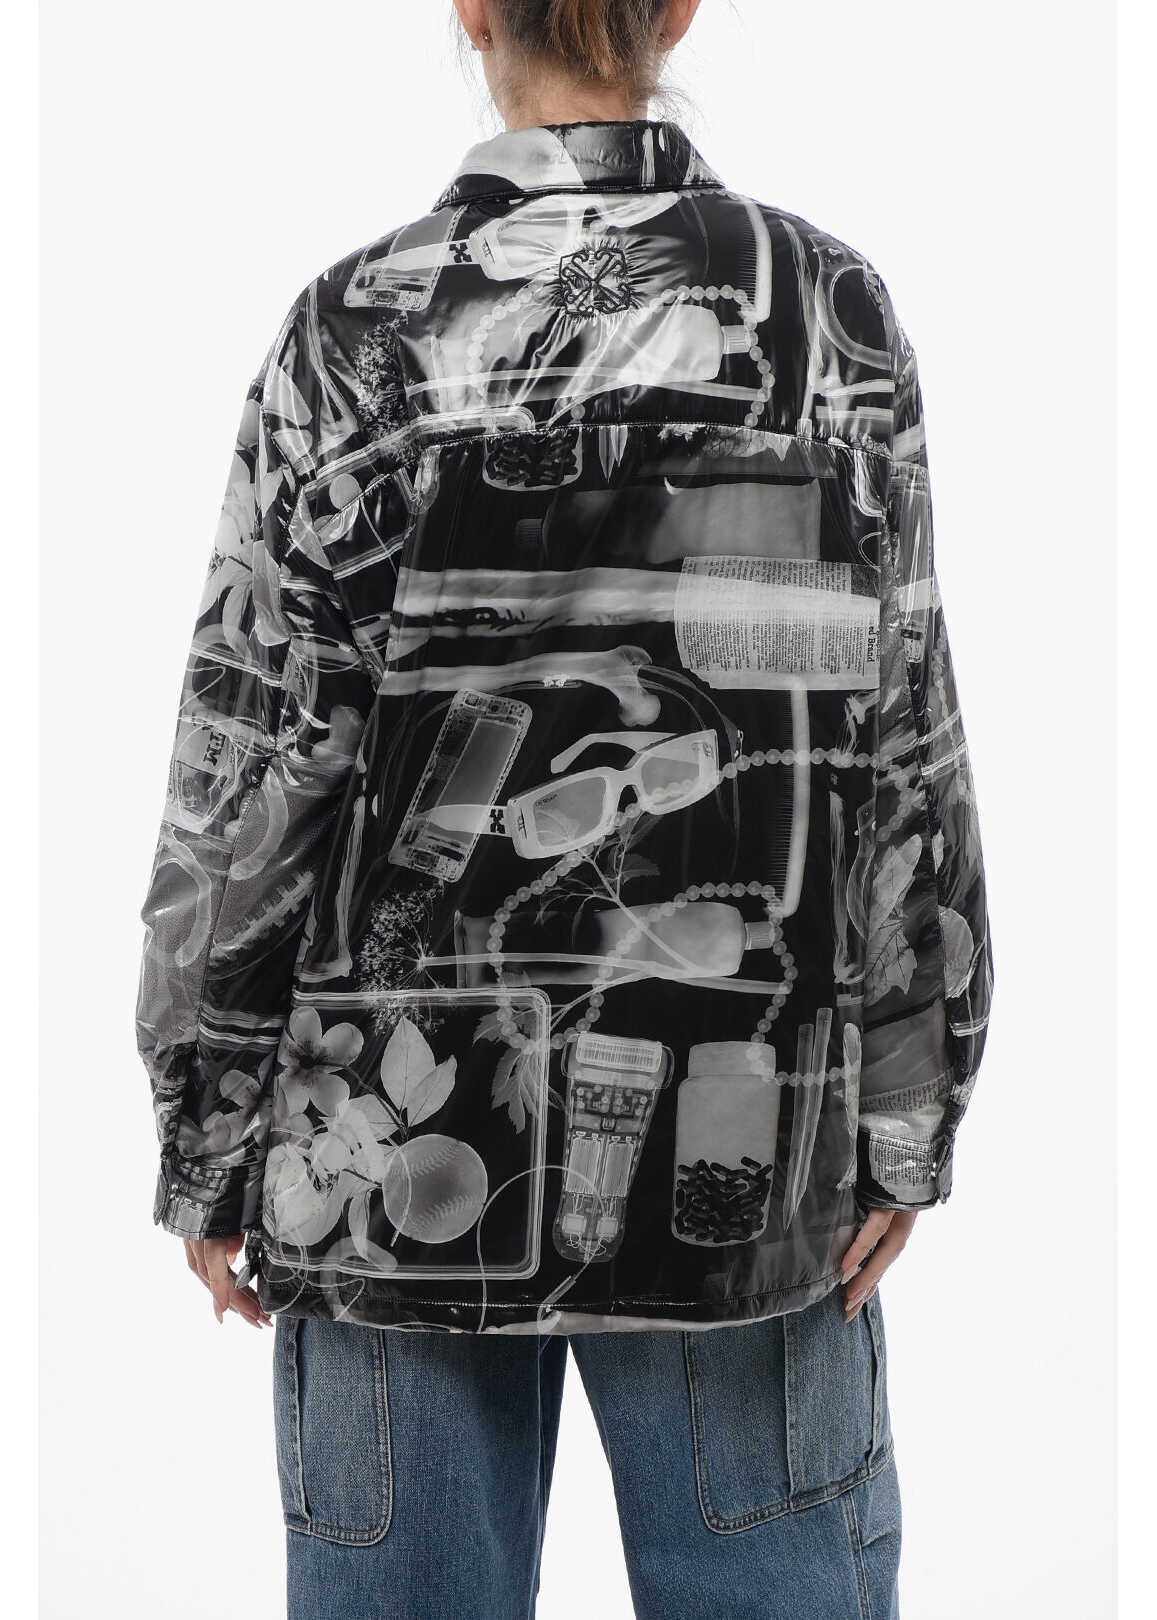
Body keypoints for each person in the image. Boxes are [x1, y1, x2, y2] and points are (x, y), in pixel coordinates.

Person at [135, 1, 994, 1614]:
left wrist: (212, 1120)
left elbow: (256, 770)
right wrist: (905, 1106)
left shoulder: (354, 331)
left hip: (383, 1137)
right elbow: (897, 737)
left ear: (469, 7)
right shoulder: (828, 314)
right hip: (755, 1114)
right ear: (679, 9)